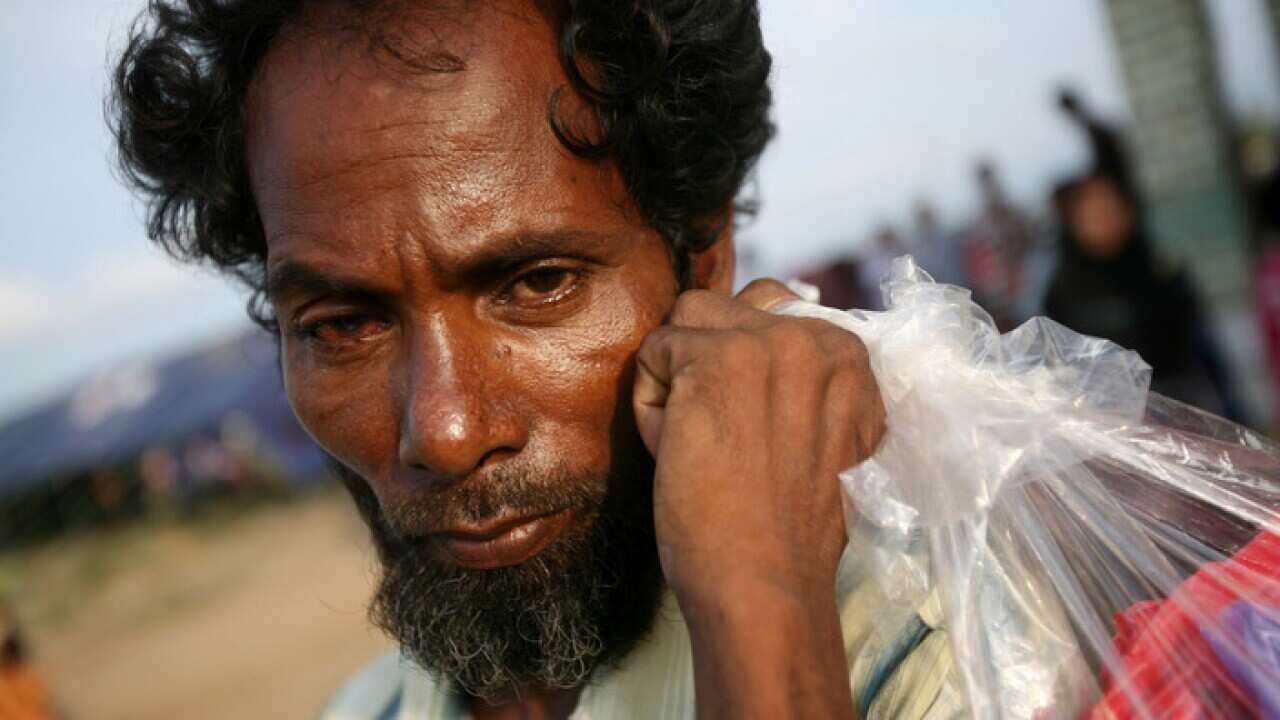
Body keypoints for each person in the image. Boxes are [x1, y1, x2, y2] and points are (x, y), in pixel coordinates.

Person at [111, 2, 967, 718]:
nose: (443, 431)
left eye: (538, 282)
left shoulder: (952, 656)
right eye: (342, 326)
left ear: (701, 251)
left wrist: (759, 602)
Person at [1044, 172, 1242, 419]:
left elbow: (1201, 346)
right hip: (1112, 421)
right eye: (1093, 214)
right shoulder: (1062, 291)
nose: (1105, 220)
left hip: (1185, 407)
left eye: (1111, 209)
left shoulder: (1161, 269)